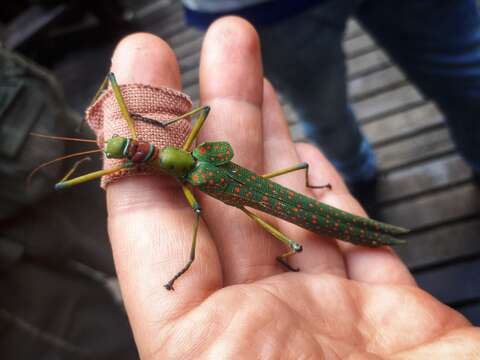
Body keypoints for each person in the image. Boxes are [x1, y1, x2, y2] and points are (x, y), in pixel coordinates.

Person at [104, 18, 480, 358]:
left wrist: (187, 264)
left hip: (275, 204)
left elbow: (194, 199)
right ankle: (350, 232)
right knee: (308, 205)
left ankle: (293, 251)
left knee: (300, 227)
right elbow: (204, 130)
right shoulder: (199, 159)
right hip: (272, 195)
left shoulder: (193, 180)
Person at [182, 0, 480, 204]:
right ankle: (355, 176)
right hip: (268, 9)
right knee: (324, 115)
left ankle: (355, 176)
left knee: (470, 78)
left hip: (260, 11)